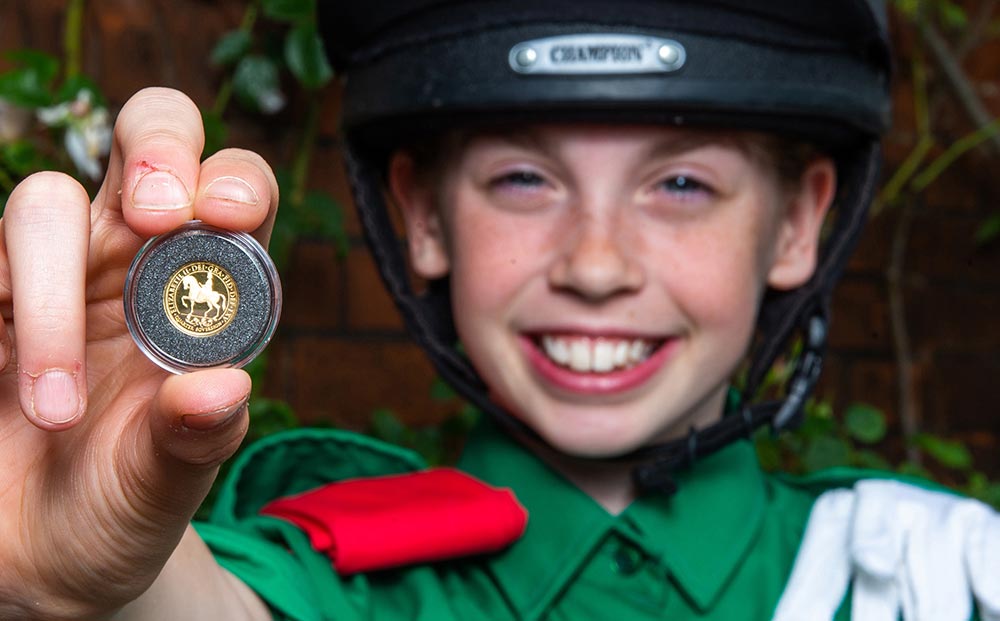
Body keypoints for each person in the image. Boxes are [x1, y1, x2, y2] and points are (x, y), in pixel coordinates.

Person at [0, 1, 997, 620]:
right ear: (423, 217)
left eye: (682, 186)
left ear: (795, 225)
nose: (596, 267)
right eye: (523, 179)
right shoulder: (337, 580)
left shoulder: (945, 576)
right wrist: (77, 590)